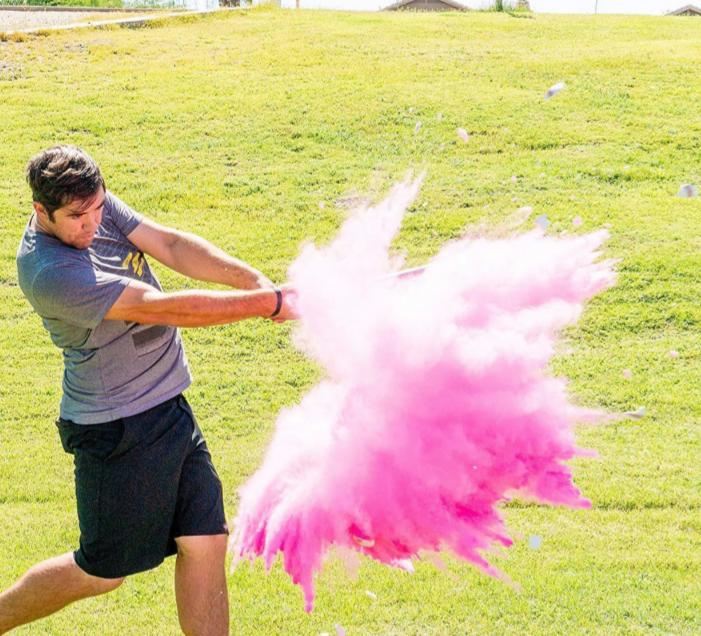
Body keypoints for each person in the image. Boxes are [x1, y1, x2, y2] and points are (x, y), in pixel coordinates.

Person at [0, 145, 296, 636]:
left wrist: (256, 282)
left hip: (170, 408)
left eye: (97, 208)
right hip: (117, 430)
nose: (92, 224)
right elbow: (160, 307)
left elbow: (173, 247)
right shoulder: (50, 272)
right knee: (101, 571)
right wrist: (267, 303)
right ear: (41, 212)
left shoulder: (92, 203)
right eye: (77, 217)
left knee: (205, 540)